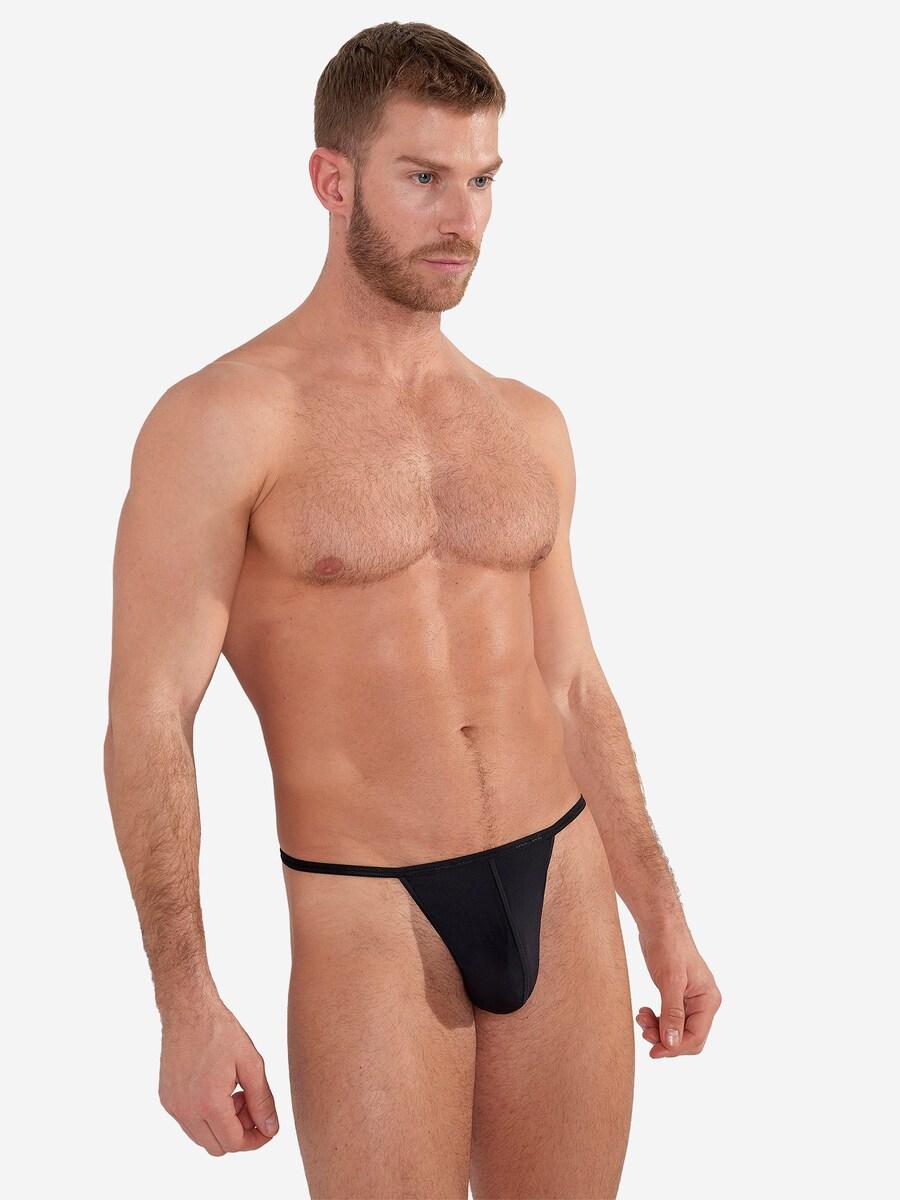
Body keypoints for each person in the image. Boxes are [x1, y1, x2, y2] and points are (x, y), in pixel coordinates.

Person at [104, 20, 721, 1199]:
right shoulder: (222, 421)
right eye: (425, 177)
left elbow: (573, 683)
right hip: (369, 913)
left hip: (565, 876)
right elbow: (148, 715)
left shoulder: (526, 421)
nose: (463, 218)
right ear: (332, 181)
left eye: (483, 181)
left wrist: (662, 910)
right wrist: (185, 1003)